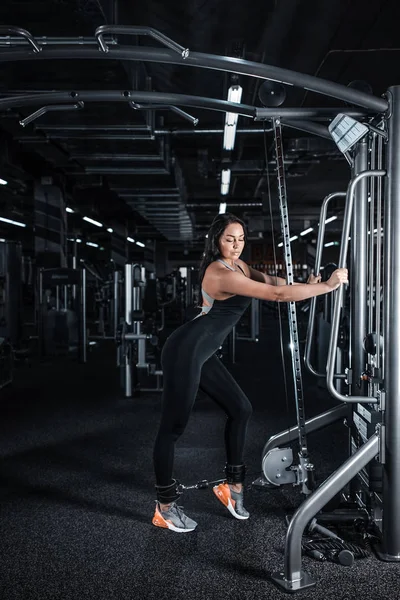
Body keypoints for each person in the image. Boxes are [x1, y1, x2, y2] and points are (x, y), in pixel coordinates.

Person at [152, 213, 348, 533]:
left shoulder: (240, 267)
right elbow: (277, 296)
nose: (236, 244)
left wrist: (308, 285)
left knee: (241, 409)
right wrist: (326, 287)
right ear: (216, 240)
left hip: (203, 352)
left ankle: (233, 486)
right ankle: (164, 506)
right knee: (173, 428)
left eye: (241, 238)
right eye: (229, 239)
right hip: (184, 351)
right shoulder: (218, 272)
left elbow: (275, 283)